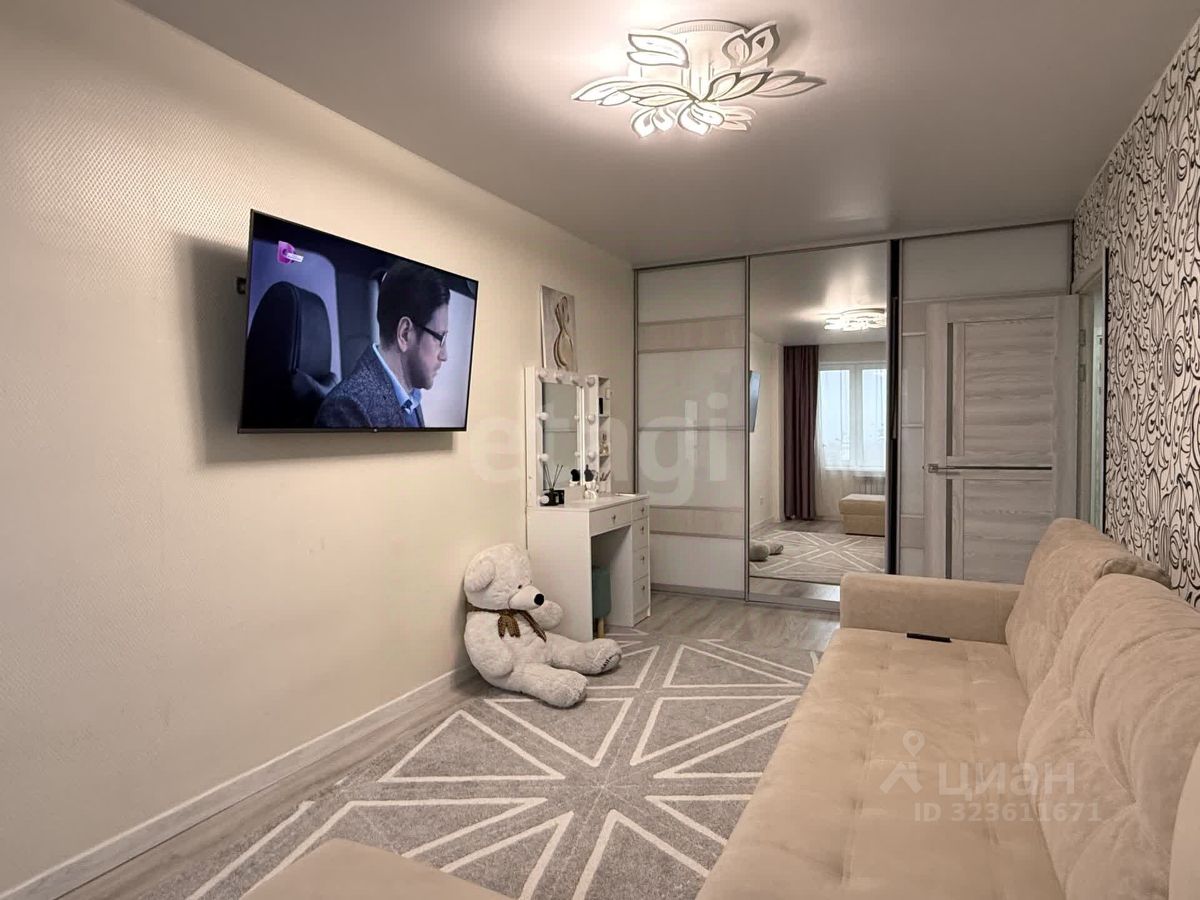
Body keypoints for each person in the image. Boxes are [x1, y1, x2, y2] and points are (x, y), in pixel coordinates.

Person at [316, 264, 449, 428]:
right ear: (405, 334)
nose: (444, 355)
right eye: (440, 338)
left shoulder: (409, 395)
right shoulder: (346, 409)